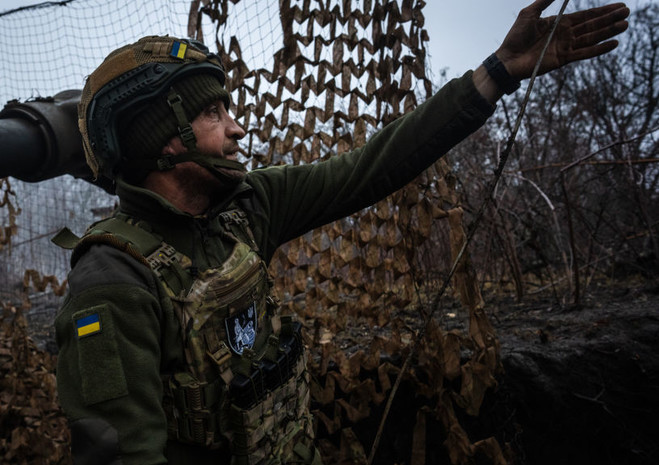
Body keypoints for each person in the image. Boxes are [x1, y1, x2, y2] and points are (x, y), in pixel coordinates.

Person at [52, 1, 630, 463]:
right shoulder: (112, 278)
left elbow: (370, 166)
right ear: (166, 139)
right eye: (213, 114)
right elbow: (122, 450)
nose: (236, 127)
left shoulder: (247, 207)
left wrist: (497, 72)